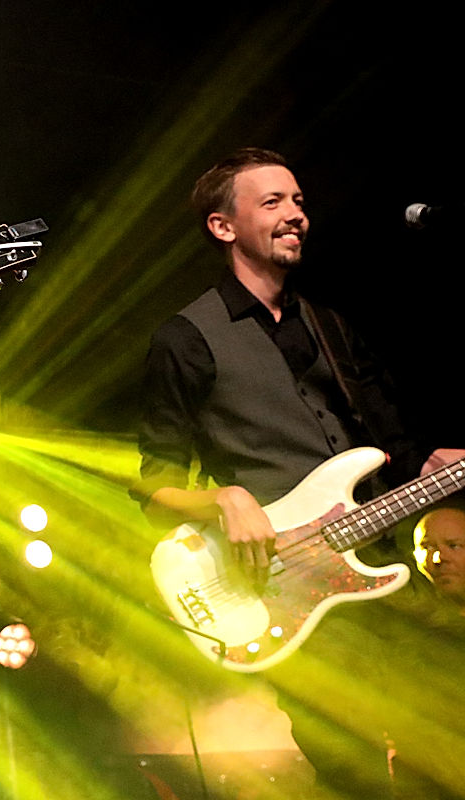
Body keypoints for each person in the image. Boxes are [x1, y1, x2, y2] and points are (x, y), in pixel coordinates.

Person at [134, 147, 465, 798]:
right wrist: (223, 499)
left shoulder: (331, 326)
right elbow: (153, 484)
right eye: (273, 202)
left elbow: (396, 448)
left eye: (299, 201)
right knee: (357, 773)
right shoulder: (186, 338)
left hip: (382, 566)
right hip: (292, 593)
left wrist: (432, 462)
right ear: (223, 226)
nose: (296, 215)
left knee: (444, 752)